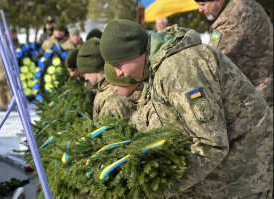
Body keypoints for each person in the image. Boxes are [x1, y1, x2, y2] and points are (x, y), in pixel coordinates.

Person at [100, 19, 273, 198]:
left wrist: (157, 186)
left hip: (245, 176)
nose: (119, 73)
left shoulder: (179, 69)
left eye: (118, 64)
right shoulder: (157, 68)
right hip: (226, 177)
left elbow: (211, 143)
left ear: (135, 52)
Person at [195, 0, 273, 107]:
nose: (200, 9)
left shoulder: (231, 19)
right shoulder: (244, 3)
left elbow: (210, 59)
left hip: (259, 97)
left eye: (203, 5)